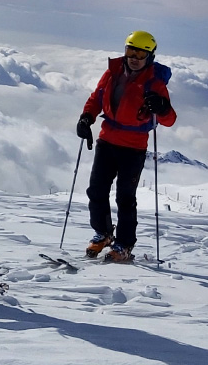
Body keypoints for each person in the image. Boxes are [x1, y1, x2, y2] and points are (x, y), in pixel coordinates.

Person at [76, 30, 176, 262]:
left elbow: (169, 119)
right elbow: (97, 98)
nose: (133, 57)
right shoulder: (112, 73)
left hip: (133, 147)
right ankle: (103, 233)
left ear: (149, 56)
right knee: (96, 191)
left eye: (140, 53)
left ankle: (124, 244)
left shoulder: (154, 83)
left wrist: (161, 107)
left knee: (125, 197)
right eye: (130, 50)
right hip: (107, 140)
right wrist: (86, 117)